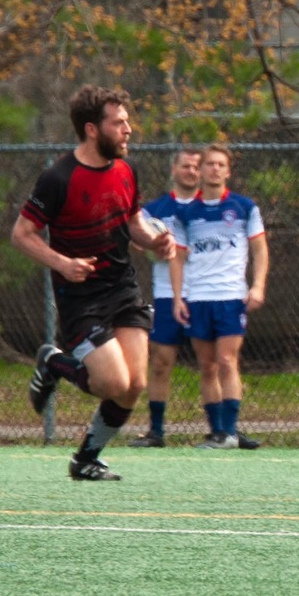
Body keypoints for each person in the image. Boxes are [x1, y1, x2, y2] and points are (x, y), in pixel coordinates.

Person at [14, 85, 177, 481]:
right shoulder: (58, 178)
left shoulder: (126, 170)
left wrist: (155, 241)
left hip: (121, 288)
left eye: (127, 121)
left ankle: (86, 459)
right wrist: (63, 263)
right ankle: (53, 362)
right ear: (92, 129)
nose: (128, 129)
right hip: (80, 297)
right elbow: (21, 234)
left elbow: (134, 223)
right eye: (118, 123)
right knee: (112, 382)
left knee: (134, 385)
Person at [173, 143, 269, 450]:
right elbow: (177, 258)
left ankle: (230, 432)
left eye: (220, 164)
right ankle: (217, 432)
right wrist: (178, 297)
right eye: (209, 164)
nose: (214, 169)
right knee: (207, 365)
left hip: (230, 296)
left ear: (228, 171)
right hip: (198, 297)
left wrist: (258, 286)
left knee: (227, 360)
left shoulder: (244, 208)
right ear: (200, 170)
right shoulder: (187, 213)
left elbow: (260, 249)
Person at [127, 148, 199, 448]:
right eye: (186, 166)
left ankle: (225, 430)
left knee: (217, 362)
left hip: (206, 294)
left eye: (196, 166)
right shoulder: (155, 210)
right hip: (168, 294)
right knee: (161, 362)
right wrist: (151, 246)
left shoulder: (214, 207)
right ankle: (156, 431)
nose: (191, 171)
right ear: (174, 170)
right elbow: (136, 241)